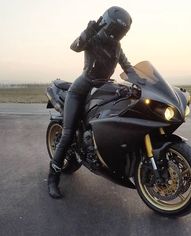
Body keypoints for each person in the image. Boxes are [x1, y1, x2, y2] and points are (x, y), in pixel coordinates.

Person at [47, 6, 133, 198]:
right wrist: (87, 32)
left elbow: (128, 67)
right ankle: (53, 178)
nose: (120, 33)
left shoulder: (117, 47)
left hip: (103, 88)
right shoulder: (94, 38)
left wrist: (143, 82)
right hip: (81, 89)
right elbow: (75, 46)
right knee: (68, 134)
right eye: (119, 29)